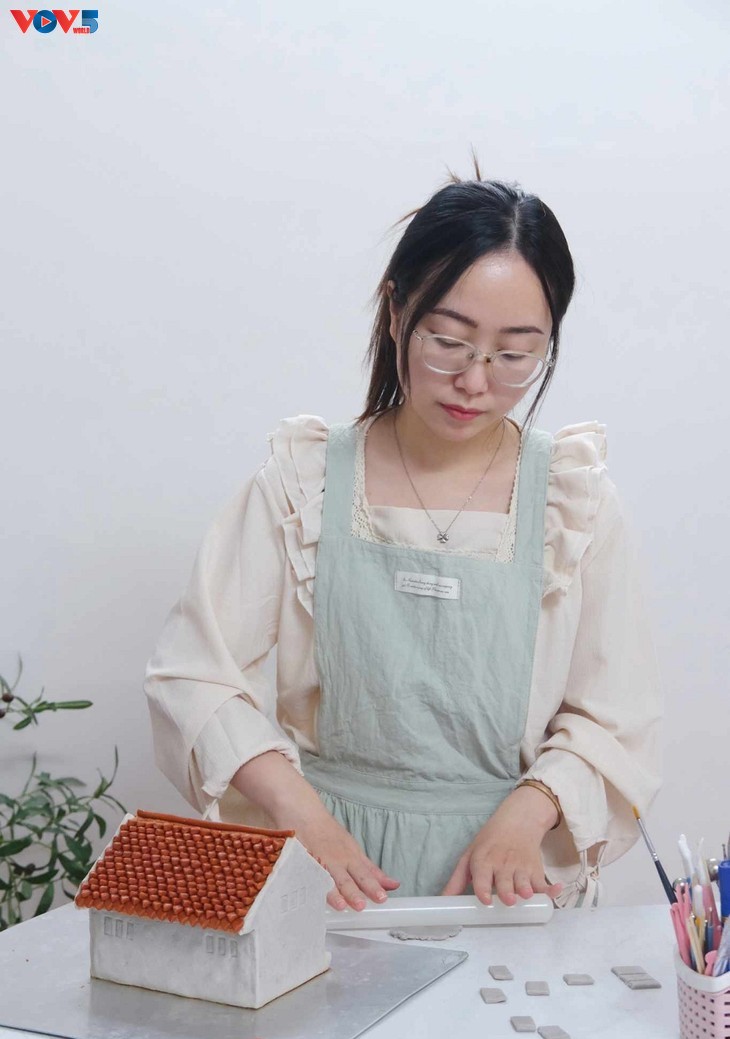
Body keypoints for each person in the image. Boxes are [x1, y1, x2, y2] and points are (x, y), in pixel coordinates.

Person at [144, 158, 662, 914]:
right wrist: (302, 816)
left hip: (501, 886)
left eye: (515, 354)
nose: (476, 381)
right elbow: (194, 675)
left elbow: (617, 715)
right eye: (449, 341)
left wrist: (530, 812)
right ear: (395, 312)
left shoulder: (575, 502)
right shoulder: (303, 484)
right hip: (330, 876)